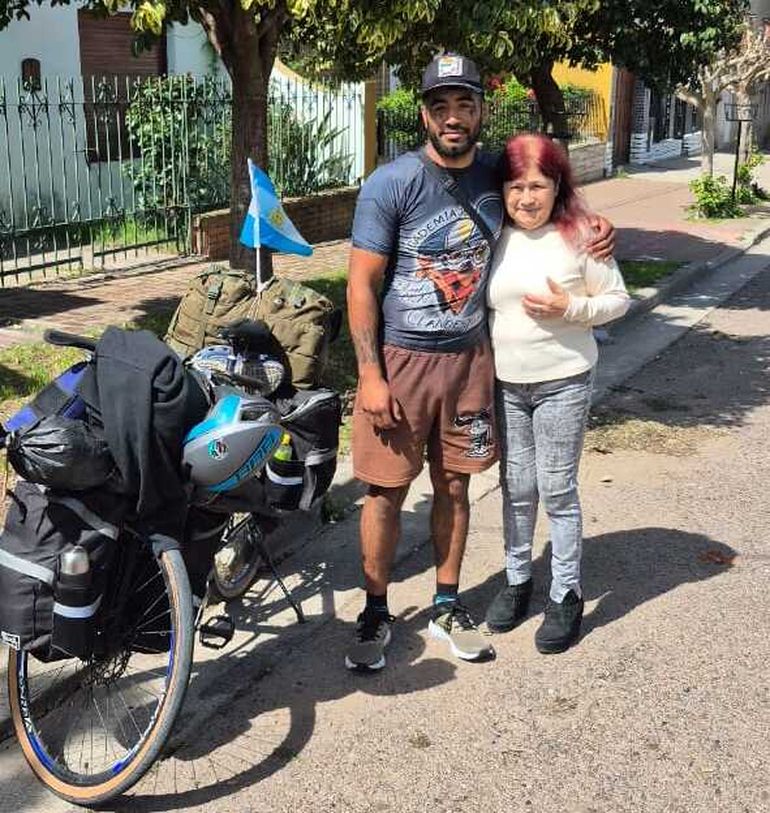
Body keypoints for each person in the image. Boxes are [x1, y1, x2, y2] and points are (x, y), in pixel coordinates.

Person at [345, 53, 614, 672]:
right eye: (440, 106)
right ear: (424, 115)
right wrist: (369, 375)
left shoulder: (495, 175)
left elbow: (546, 192)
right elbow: (361, 284)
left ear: (481, 111)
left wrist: (597, 225)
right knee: (385, 490)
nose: (453, 117)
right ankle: (377, 609)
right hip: (402, 361)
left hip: (470, 362)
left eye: (464, 104)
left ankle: (446, 602)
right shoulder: (392, 183)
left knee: (456, 484)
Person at [484, 133, 630, 653]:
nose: (527, 198)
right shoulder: (492, 235)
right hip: (507, 382)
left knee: (557, 487)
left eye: (538, 186)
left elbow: (617, 300)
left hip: (563, 379)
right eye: (516, 186)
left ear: (557, 186)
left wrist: (571, 308)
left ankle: (565, 592)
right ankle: (517, 579)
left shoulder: (580, 235)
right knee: (516, 485)